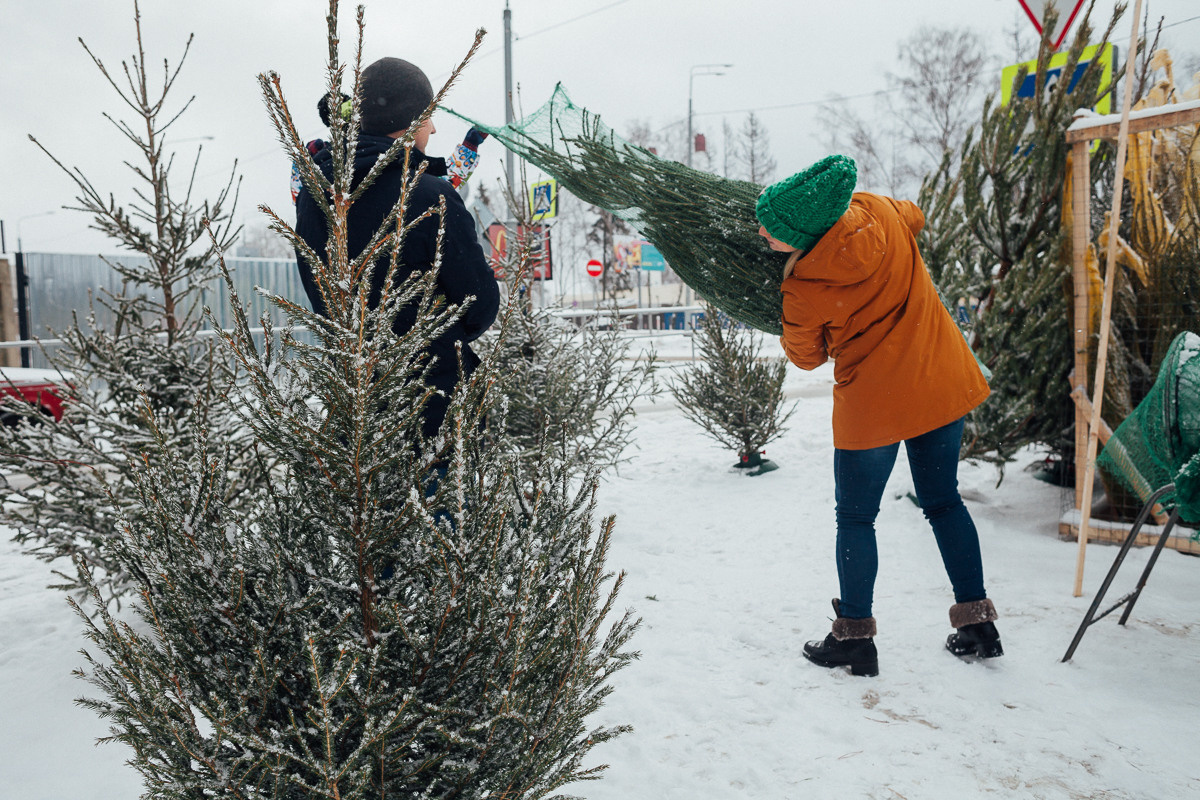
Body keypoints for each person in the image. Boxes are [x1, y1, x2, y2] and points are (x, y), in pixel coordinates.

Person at [755, 155, 1001, 677]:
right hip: (938, 379)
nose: (761, 233)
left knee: (857, 517)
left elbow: (806, 357)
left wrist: (791, 306)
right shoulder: (879, 212)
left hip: (874, 404)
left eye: (771, 230)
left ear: (803, 233)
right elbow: (917, 215)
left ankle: (854, 640)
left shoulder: (801, 288)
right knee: (943, 502)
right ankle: (978, 624)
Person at [295, 57, 499, 442]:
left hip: (353, 408)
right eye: (429, 116)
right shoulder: (429, 194)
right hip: (433, 406)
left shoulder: (313, 196)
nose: (434, 128)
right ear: (407, 118)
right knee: (438, 501)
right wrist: (437, 336)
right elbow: (479, 303)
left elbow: (317, 285)